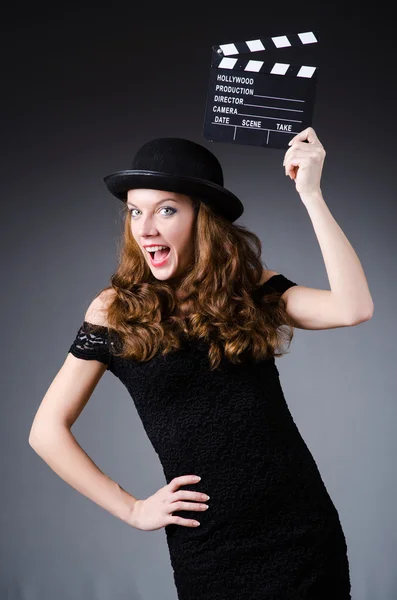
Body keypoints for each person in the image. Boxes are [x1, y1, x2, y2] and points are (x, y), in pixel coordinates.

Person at [29, 128, 373, 599]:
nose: (145, 228)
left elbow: (353, 308)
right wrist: (133, 510)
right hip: (210, 547)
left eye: (165, 209)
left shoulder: (251, 290)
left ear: (202, 217)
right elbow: (46, 431)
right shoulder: (116, 312)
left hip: (301, 529)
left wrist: (311, 194)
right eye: (135, 211)